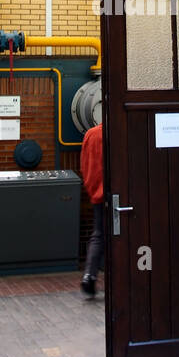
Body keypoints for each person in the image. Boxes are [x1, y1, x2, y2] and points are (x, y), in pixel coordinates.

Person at [78, 122, 104, 298]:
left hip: (98, 194)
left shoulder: (91, 134)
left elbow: (84, 165)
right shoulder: (118, 132)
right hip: (118, 193)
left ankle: (90, 274)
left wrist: (92, 189)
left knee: (99, 235)